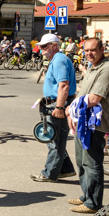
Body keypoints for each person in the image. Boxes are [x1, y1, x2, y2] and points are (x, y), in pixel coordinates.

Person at [66, 37, 109, 213]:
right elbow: (82, 93)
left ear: (102, 49)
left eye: (93, 50)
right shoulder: (92, 67)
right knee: (82, 161)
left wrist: (70, 108)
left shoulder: (108, 69)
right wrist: (72, 113)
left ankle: (93, 203)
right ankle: (87, 195)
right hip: (83, 121)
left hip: (96, 124)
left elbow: (94, 98)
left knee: (92, 163)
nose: (89, 53)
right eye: (86, 50)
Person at [30, 34, 77, 182]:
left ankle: (49, 173)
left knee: (55, 140)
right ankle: (64, 169)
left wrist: (59, 107)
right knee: (56, 138)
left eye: (44, 46)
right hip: (55, 102)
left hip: (58, 103)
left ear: (54, 46)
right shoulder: (57, 60)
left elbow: (63, 85)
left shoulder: (59, 60)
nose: (41, 49)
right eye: (41, 46)